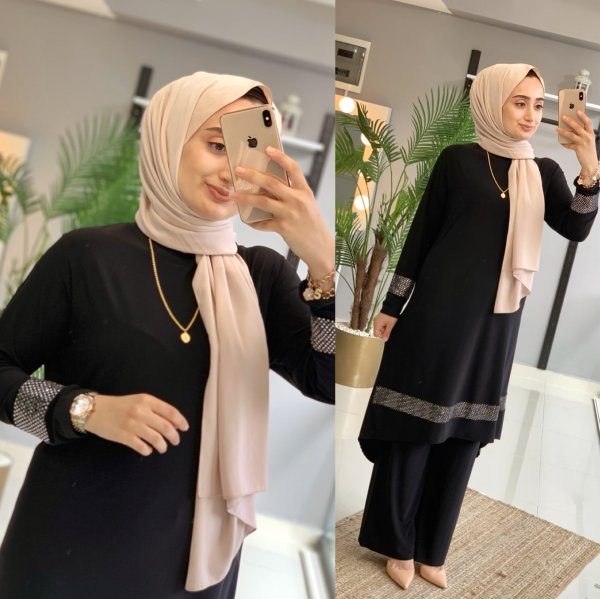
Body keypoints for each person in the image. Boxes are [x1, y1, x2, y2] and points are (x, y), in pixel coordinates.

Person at [0, 72, 335, 599]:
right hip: (66, 546)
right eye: (216, 145)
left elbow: (328, 381)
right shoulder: (86, 257)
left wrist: (323, 266)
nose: (231, 170)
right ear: (168, 138)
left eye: (245, 150)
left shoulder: (262, 276)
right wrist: (85, 409)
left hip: (191, 561)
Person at [357, 63, 598, 590]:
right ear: (491, 101)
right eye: (519, 102)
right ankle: (397, 544)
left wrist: (589, 166)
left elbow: (576, 227)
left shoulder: (545, 172)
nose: (531, 114)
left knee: (464, 434)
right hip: (436, 316)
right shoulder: (458, 160)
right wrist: (393, 304)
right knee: (417, 426)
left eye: (538, 105)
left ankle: (432, 549)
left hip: (496, 322)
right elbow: (421, 235)